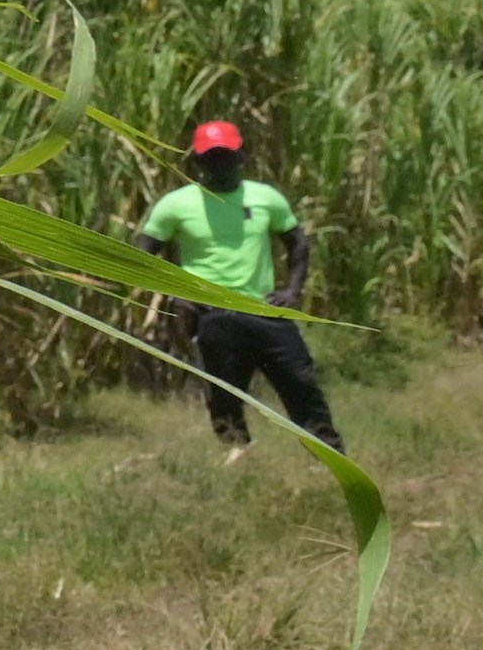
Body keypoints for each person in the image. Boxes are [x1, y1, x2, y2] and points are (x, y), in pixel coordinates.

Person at [138, 114, 337, 456]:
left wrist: (292, 290)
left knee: (302, 385)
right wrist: (175, 294)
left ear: (241, 155)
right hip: (212, 317)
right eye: (211, 157)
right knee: (224, 399)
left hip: (265, 310)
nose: (219, 163)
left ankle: (330, 460)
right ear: (198, 161)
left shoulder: (266, 198)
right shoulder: (176, 205)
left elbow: (298, 244)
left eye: (226, 155)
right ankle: (242, 459)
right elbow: (141, 253)